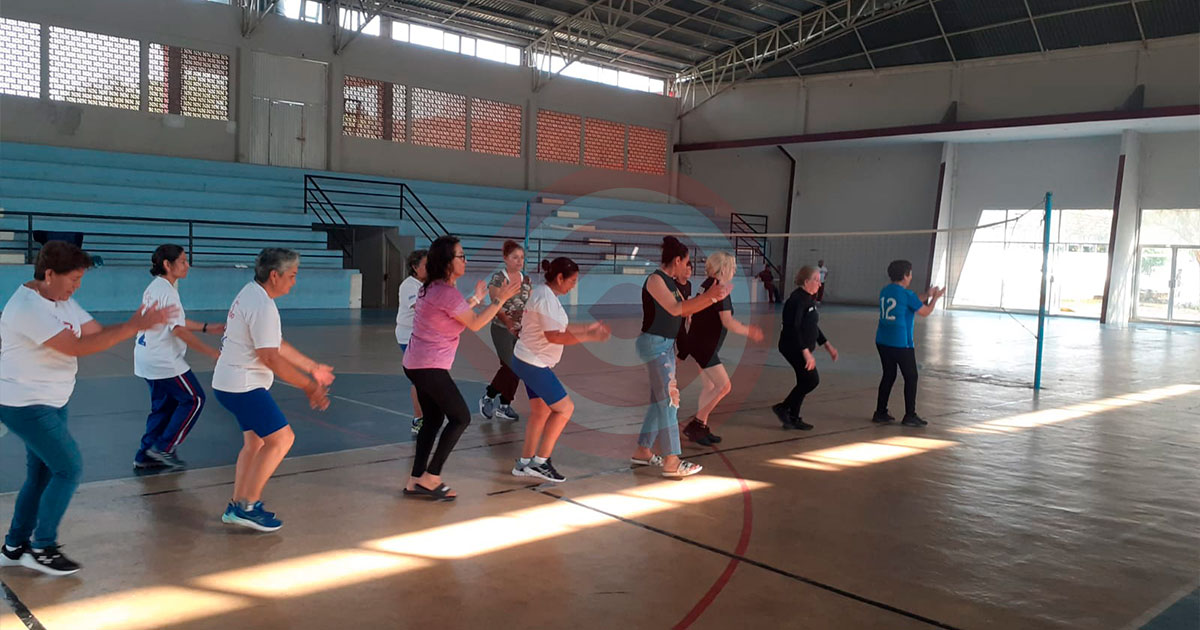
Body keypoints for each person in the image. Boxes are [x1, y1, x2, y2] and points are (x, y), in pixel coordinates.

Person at [0, 242, 174, 575]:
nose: (77, 287)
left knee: (41, 475)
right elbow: (76, 347)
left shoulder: (62, 300)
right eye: (73, 279)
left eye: (80, 279)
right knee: (69, 468)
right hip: (24, 403)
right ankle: (42, 547)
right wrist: (133, 326)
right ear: (49, 274)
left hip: (53, 401)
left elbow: (96, 332)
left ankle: (14, 546)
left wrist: (135, 323)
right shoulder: (26, 307)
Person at [213, 248, 334, 532]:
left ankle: (236, 505)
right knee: (282, 439)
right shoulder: (262, 305)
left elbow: (276, 344)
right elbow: (270, 357)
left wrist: (312, 367)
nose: (294, 282)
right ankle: (248, 506)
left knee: (255, 444)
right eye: (292, 276)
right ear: (274, 275)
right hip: (243, 386)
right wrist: (309, 386)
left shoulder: (253, 294)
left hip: (230, 383)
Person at [403, 236, 521, 501]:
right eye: (461, 256)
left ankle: (415, 480)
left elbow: (456, 313)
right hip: (429, 366)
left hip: (416, 363)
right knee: (460, 418)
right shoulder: (445, 292)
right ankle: (431, 477)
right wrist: (499, 300)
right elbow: (475, 323)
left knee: (433, 419)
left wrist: (477, 298)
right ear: (448, 262)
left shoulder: (433, 288)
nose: (466, 260)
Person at [632, 236, 730, 478]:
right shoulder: (656, 280)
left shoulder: (673, 284)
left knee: (659, 401)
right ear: (677, 260)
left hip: (665, 345)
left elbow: (687, 311)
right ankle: (672, 460)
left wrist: (713, 298)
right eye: (686, 262)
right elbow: (675, 309)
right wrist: (710, 296)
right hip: (654, 345)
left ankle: (643, 451)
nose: (688, 267)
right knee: (669, 401)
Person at [508, 258, 611, 482]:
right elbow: (554, 336)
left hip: (526, 359)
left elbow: (559, 327)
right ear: (560, 278)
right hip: (532, 363)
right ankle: (540, 462)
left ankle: (524, 463)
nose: (574, 286)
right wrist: (589, 336)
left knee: (541, 412)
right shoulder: (545, 298)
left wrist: (587, 328)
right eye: (572, 281)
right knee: (565, 409)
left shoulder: (546, 295)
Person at [133, 244, 224, 470]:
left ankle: (145, 455)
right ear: (167, 264)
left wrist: (205, 327)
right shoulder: (167, 292)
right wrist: (212, 352)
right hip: (163, 359)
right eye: (183, 261)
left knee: (163, 408)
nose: (187, 265)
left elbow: (175, 321)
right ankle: (164, 448)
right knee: (195, 399)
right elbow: (178, 330)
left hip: (146, 356)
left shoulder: (155, 287)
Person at [682, 252, 764, 446]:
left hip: (699, 343)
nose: (734, 271)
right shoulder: (718, 288)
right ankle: (696, 424)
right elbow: (728, 322)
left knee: (710, 387)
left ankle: (701, 427)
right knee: (724, 387)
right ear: (724, 268)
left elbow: (694, 314)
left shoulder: (706, 285)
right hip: (704, 347)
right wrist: (750, 331)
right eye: (733, 267)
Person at [873, 259, 945, 427]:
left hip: (882, 341)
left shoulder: (885, 291)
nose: (911, 277)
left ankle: (880, 412)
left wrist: (927, 295)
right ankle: (910, 415)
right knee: (911, 377)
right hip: (901, 343)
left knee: (888, 375)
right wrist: (935, 298)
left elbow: (910, 302)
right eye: (910, 274)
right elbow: (925, 312)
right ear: (905, 276)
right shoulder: (907, 295)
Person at [772, 266, 838, 431]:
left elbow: (812, 325)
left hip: (801, 347)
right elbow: (793, 328)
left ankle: (793, 417)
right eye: (816, 280)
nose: (819, 284)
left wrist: (827, 344)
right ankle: (783, 408)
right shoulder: (796, 300)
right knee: (811, 380)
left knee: (804, 380)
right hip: (792, 347)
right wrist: (805, 352)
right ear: (806, 281)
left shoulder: (809, 299)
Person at [479, 240, 532, 422]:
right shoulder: (498, 279)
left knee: (519, 366)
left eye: (522, 257)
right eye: (515, 257)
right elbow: (497, 306)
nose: (519, 261)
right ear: (505, 259)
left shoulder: (526, 280)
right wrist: (508, 322)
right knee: (510, 365)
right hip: (502, 328)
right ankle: (488, 397)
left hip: (520, 330)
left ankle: (505, 404)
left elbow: (528, 304)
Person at [396, 249, 427, 435]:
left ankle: (427, 414)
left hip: (425, 337)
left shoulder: (429, 284)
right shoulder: (409, 285)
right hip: (408, 336)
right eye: (426, 265)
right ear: (415, 267)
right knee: (419, 379)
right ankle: (418, 418)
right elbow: (421, 309)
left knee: (427, 378)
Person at [675, 260, 693, 360]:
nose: (688, 272)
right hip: (673, 320)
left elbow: (688, 300)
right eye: (686, 269)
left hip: (681, 322)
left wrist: (689, 317)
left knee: (685, 348)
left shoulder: (689, 284)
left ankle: (674, 364)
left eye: (690, 269)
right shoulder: (672, 284)